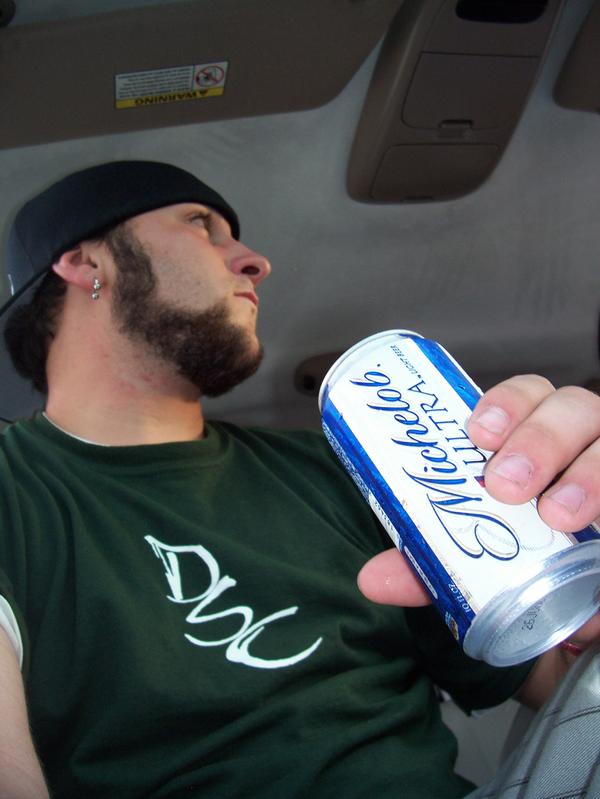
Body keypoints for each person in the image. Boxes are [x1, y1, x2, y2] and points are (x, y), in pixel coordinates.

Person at [0, 160, 599, 799]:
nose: (255, 262)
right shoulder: (17, 490)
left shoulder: (341, 469)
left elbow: (563, 681)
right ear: (85, 261)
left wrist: (575, 568)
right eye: (201, 225)